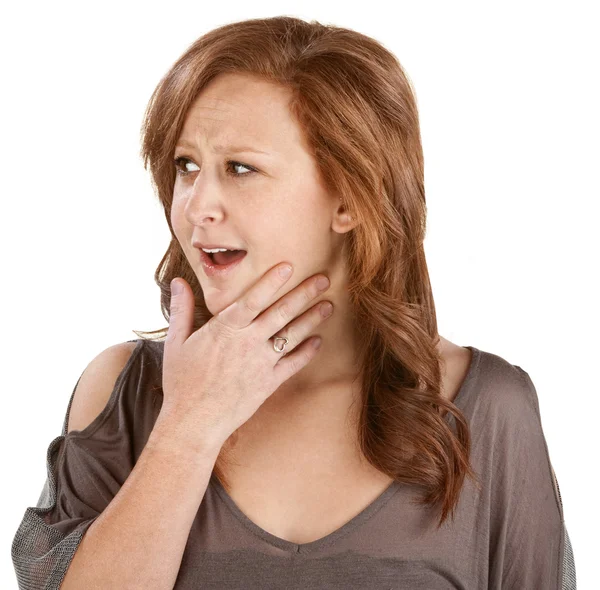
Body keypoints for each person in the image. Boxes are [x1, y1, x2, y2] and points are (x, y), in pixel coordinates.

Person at [11, 15, 576, 589]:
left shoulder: (487, 410)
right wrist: (189, 425)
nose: (196, 206)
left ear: (350, 201)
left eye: (240, 168)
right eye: (187, 166)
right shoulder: (123, 395)